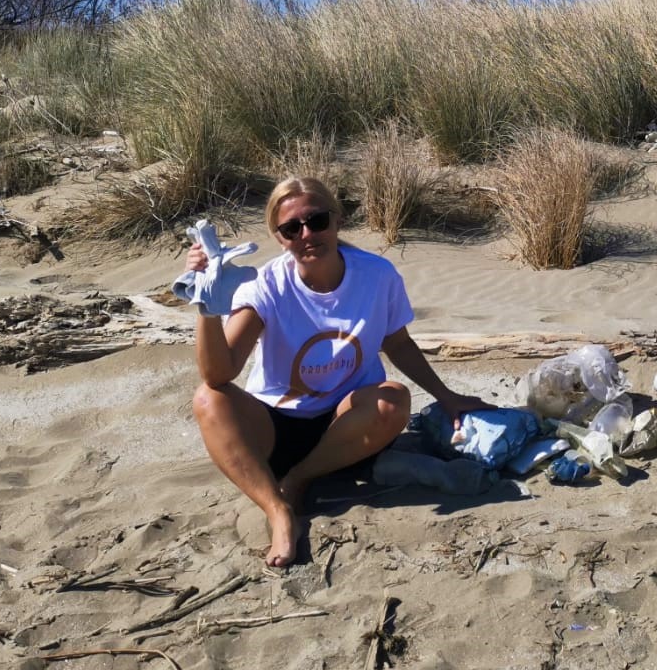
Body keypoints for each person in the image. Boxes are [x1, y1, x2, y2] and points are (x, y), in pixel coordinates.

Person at [186, 176, 487, 567]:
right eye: (292, 228)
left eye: (317, 220)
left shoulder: (377, 276)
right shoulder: (266, 286)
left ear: (337, 219)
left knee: (393, 398)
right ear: (280, 238)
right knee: (207, 399)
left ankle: (299, 479)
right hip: (276, 427)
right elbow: (218, 374)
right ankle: (278, 510)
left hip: (345, 426)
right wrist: (206, 306)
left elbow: (398, 344)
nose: (307, 234)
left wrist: (447, 397)